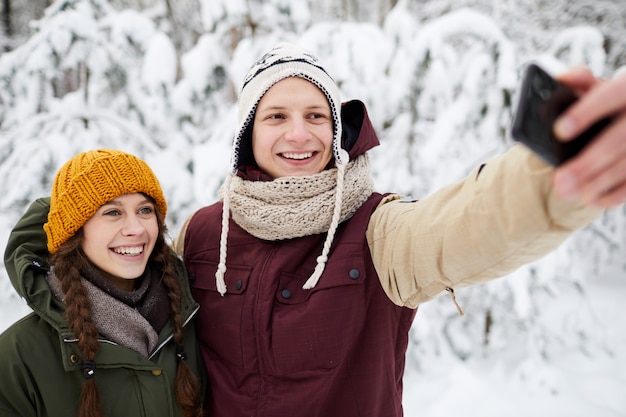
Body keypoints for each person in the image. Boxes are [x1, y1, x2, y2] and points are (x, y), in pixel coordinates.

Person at [173, 43, 625, 417]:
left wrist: (554, 167)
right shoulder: (201, 233)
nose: (299, 134)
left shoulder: (378, 231)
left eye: (316, 116)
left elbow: (467, 224)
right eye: (276, 117)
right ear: (248, 132)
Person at [0, 149, 205, 417]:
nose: (136, 228)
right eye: (112, 212)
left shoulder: (189, 322)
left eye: (145, 210)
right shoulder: (19, 355)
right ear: (75, 230)